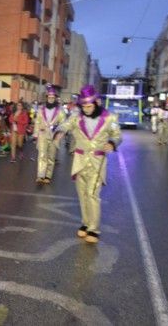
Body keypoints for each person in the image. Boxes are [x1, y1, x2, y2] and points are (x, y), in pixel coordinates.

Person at [54, 85, 121, 244]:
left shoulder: (110, 117)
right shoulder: (76, 116)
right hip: (79, 161)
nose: (87, 109)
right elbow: (65, 125)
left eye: (90, 106)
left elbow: (117, 135)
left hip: (98, 161)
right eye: (84, 106)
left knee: (92, 195)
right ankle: (85, 223)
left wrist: (112, 143)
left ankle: (94, 229)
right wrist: (59, 132)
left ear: (97, 102)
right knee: (82, 195)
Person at [33, 86, 66, 183]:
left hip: (54, 136)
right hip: (43, 135)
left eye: (52, 98)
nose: (51, 99)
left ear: (55, 98)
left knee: (51, 156)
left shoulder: (60, 111)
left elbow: (63, 123)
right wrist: (36, 134)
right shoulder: (41, 109)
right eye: (49, 97)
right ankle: (40, 175)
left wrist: (57, 129)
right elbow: (37, 122)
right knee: (42, 155)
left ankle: (48, 176)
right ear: (46, 98)